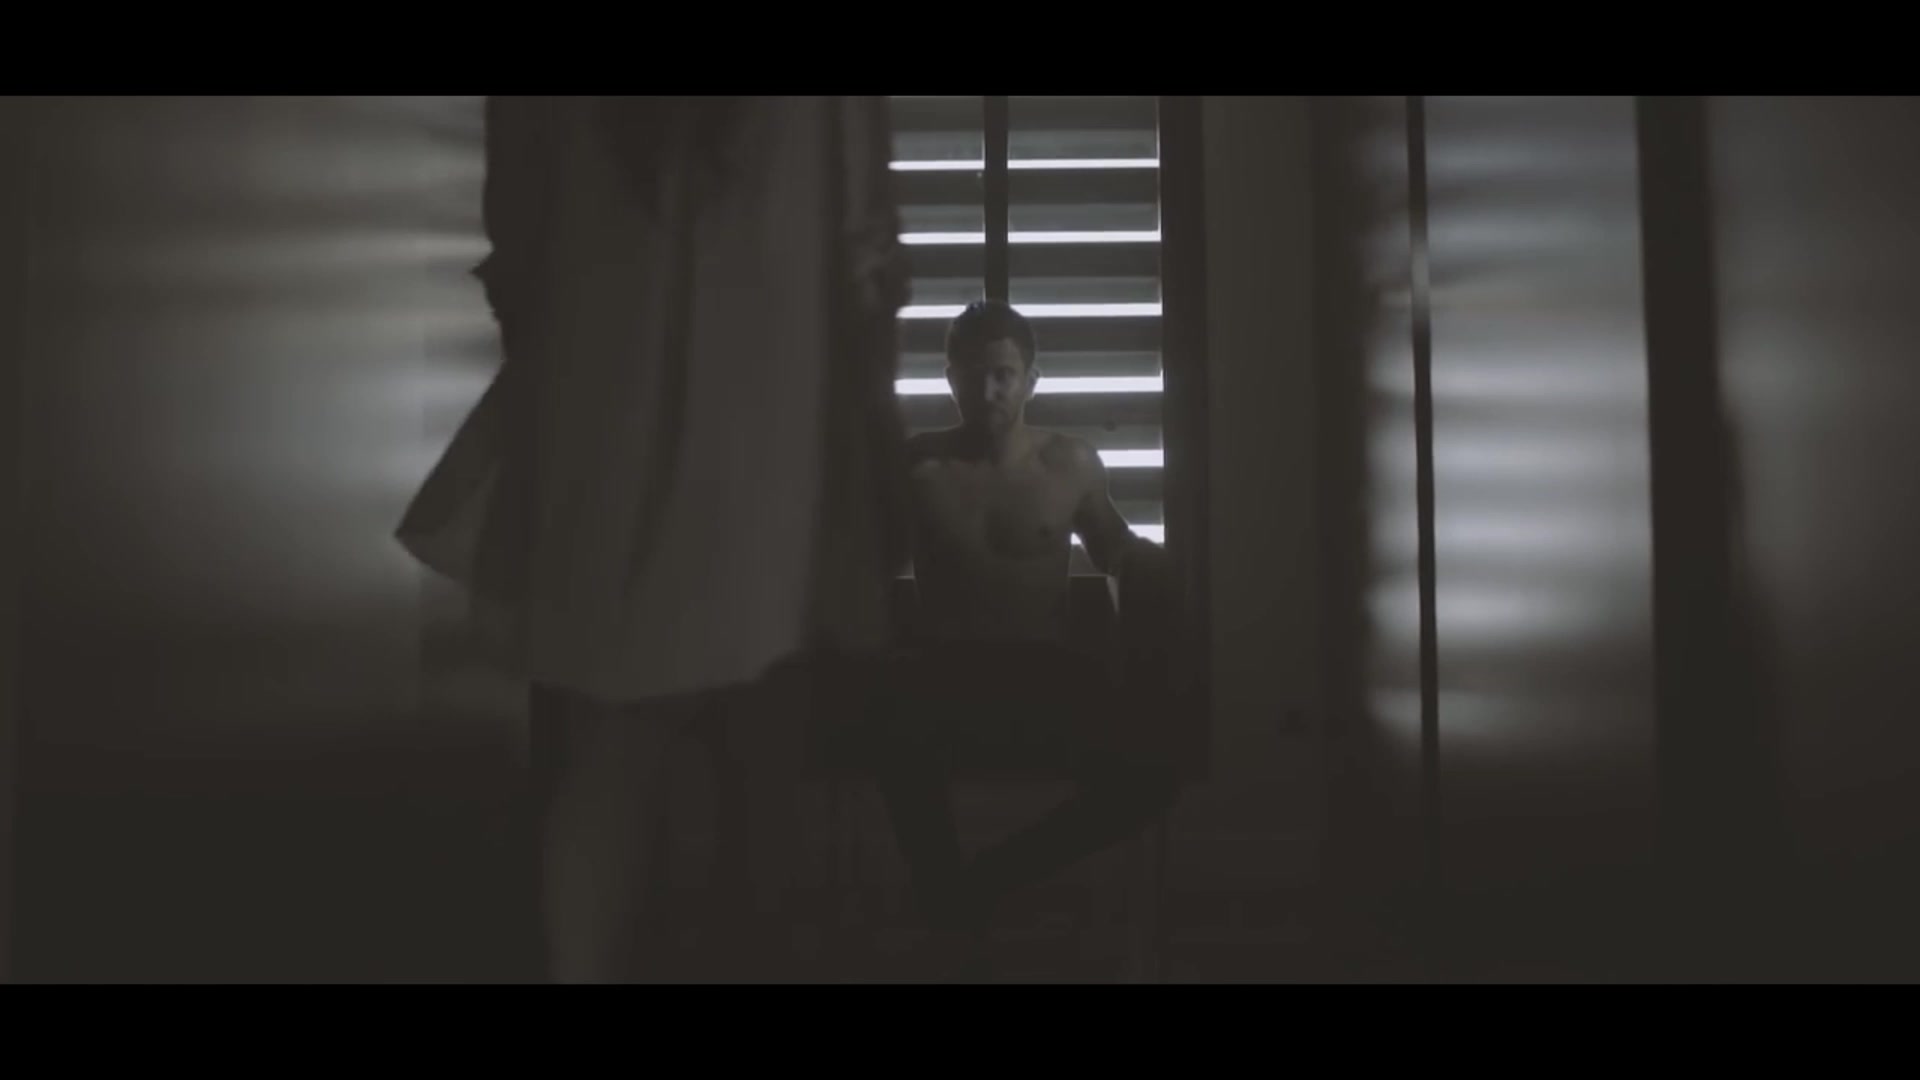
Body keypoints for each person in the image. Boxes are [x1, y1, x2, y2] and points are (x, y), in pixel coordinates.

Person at [394, 96, 912, 983]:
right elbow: (864, 249)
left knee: (612, 739)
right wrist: (871, 424)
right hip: (775, 397)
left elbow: (518, 238)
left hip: (607, 398)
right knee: (762, 740)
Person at [834, 299, 1180, 978]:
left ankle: (976, 887)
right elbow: (866, 567)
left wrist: (1144, 568)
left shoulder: (1070, 463)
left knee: (1151, 775)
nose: (987, 389)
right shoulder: (920, 468)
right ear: (950, 379)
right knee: (888, 723)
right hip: (946, 669)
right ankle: (951, 899)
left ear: (1030, 380)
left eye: (1002, 374)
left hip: (1044, 670)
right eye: (972, 374)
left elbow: (1113, 548)